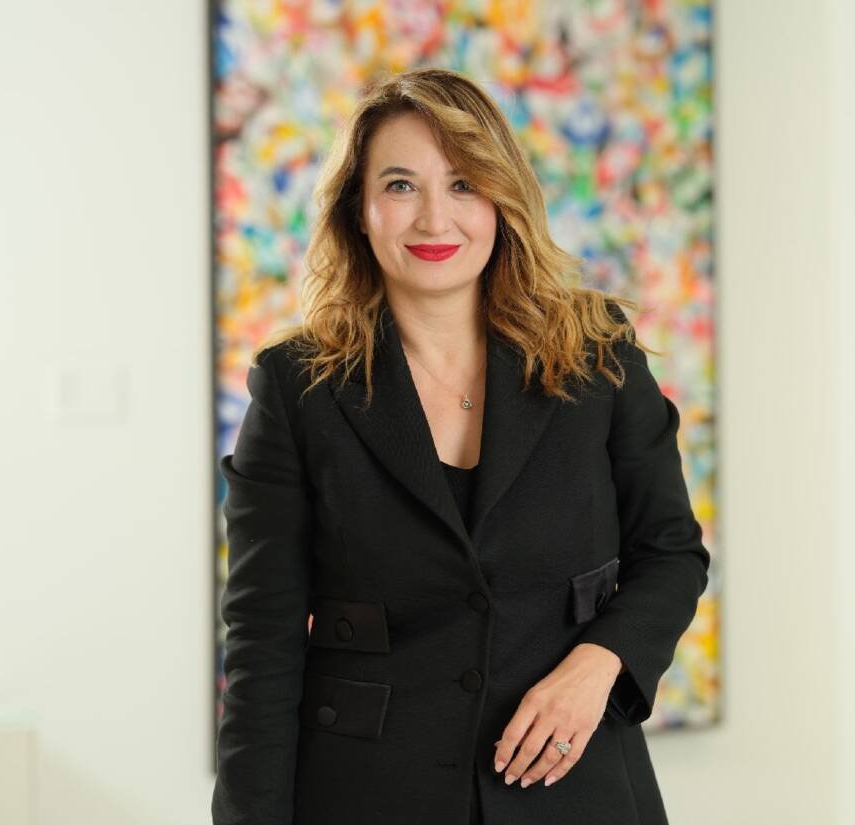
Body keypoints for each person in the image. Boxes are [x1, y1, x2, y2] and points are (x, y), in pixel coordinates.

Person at [211, 67, 710, 825]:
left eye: (464, 185)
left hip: (576, 788)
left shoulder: (597, 354)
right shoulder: (297, 387)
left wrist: (598, 664)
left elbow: (670, 552)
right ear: (359, 209)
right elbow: (262, 638)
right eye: (401, 186)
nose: (433, 218)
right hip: (365, 795)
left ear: (502, 201)